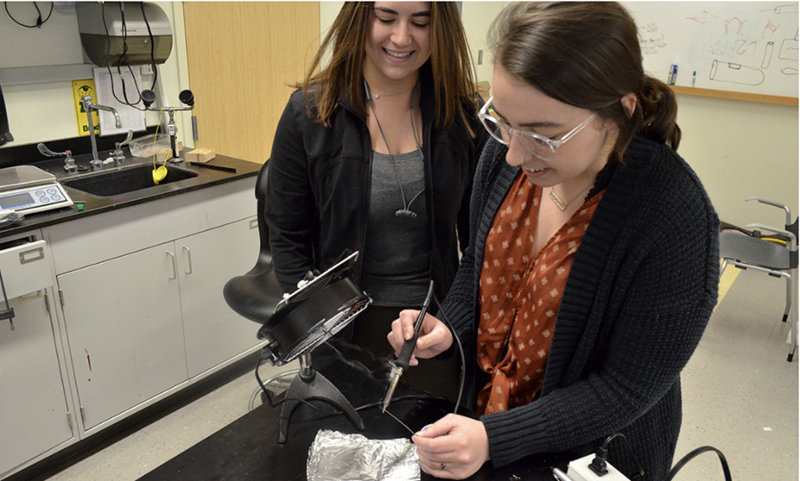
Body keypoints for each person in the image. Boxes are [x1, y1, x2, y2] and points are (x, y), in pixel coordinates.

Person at [387, 3, 720, 480]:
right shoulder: (506, 159)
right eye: (502, 121)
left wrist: (496, 439)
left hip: (593, 453)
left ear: (618, 112)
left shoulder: (673, 217)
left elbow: (624, 390)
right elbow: (477, 270)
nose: (516, 153)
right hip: (484, 427)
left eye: (545, 135)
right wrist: (448, 329)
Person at [264, 2, 488, 396]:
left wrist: (457, 321)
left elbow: (479, 242)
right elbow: (287, 233)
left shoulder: (462, 115)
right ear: (359, 18)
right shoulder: (311, 113)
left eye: (421, 22)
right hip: (344, 326)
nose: (401, 38)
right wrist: (314, 327)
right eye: (385, 18)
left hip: (434, 325)